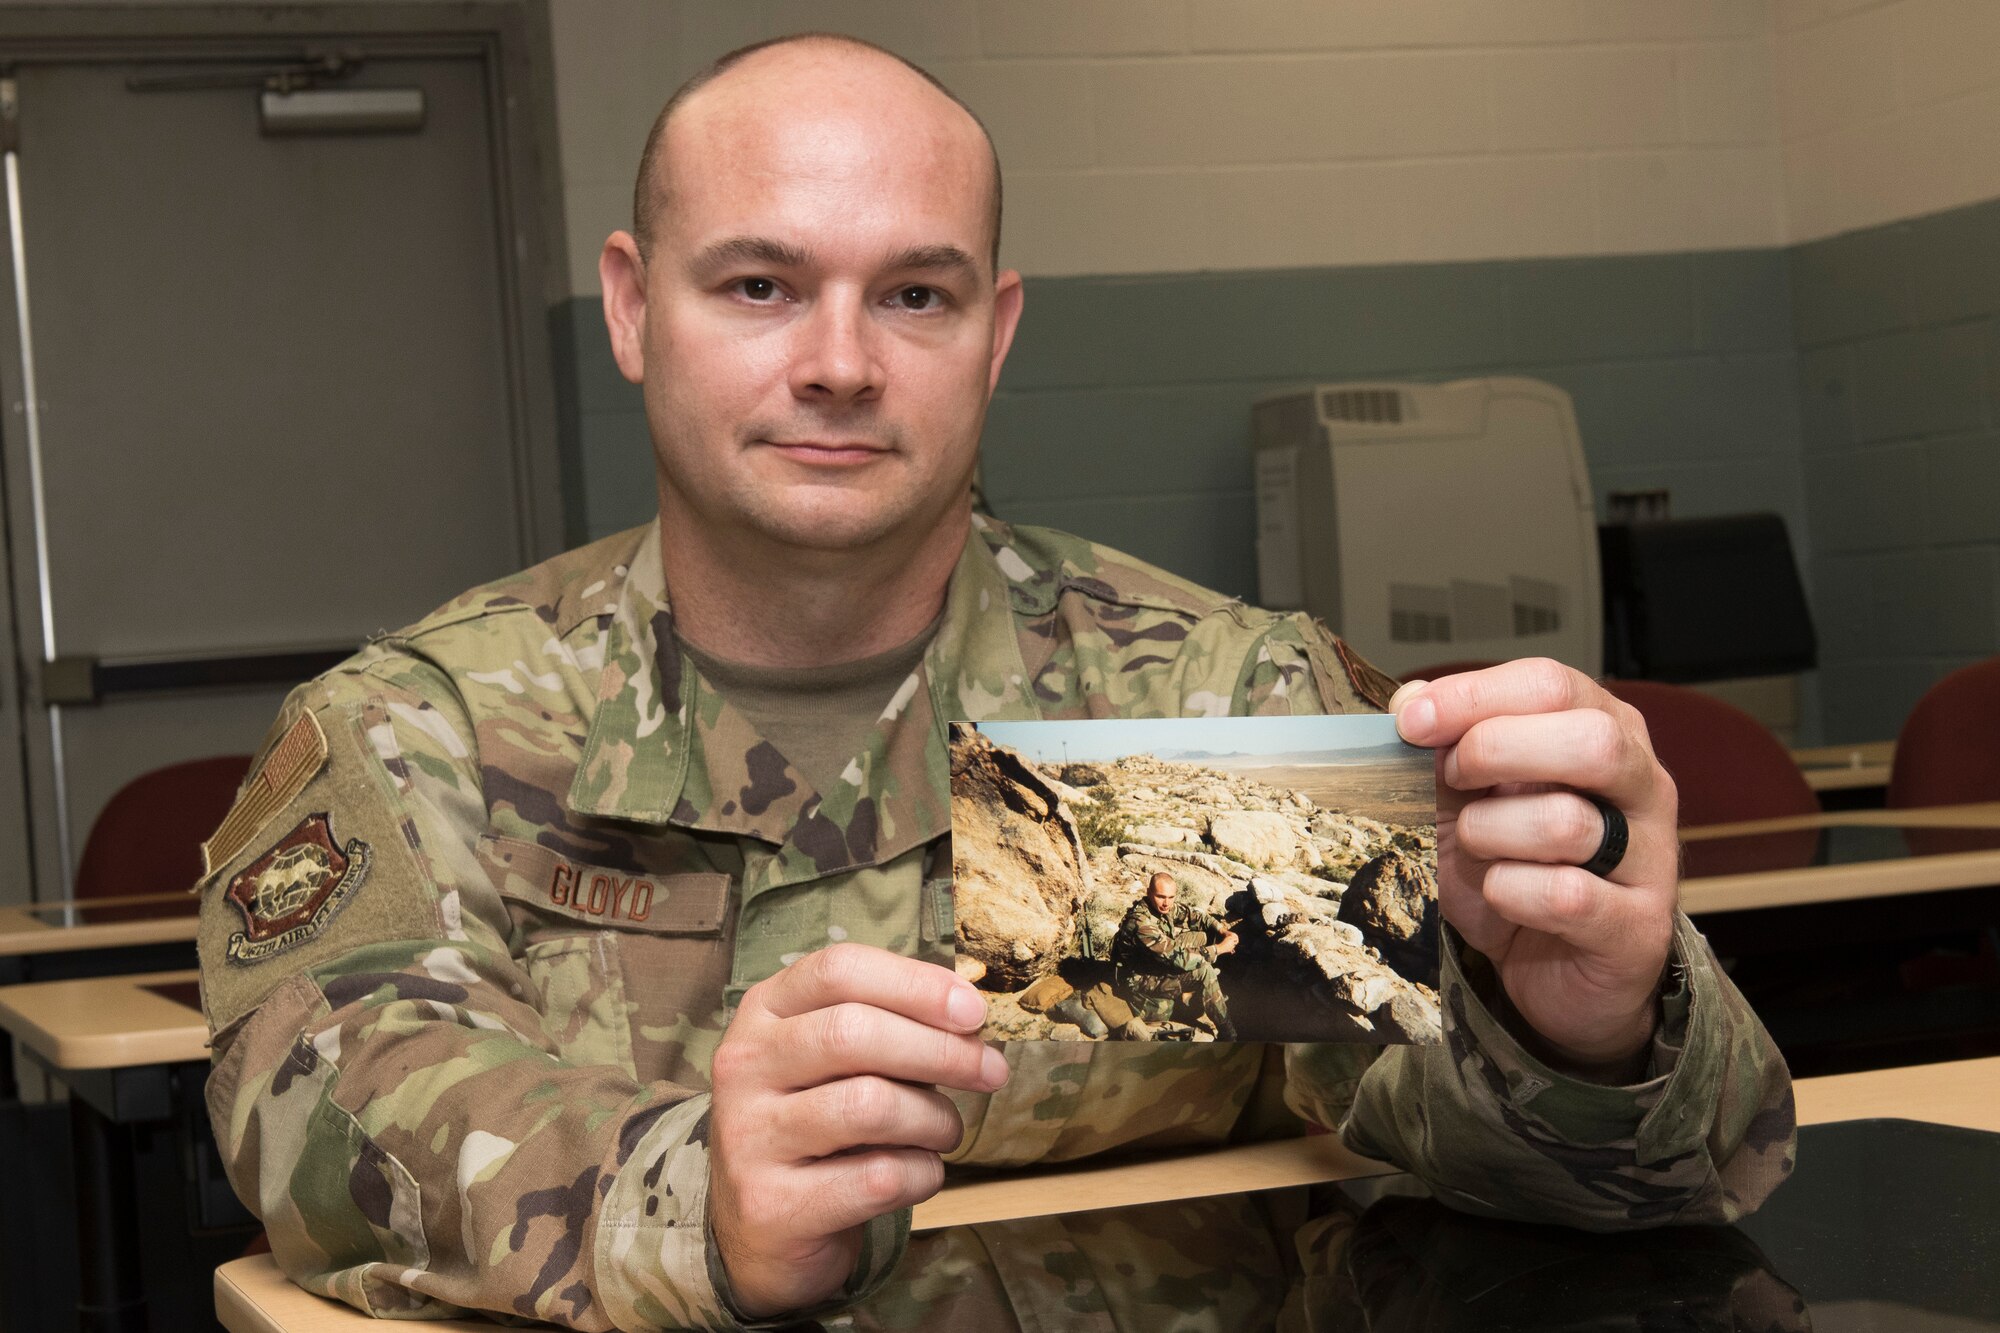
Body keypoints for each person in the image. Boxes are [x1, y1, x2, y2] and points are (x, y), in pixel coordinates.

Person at [193, 31, 1796, 1332]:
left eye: (916, 293)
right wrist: (688, 1193)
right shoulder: (434, 732)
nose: (838, 358)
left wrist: (1571, 1035)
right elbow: (333, 1112)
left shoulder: (1181, 716)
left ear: (996, 330)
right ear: (631, 308)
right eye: (758, 285)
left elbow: (1529, 1162)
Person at [1110, 871, 1240, 1039]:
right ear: (1149, 893)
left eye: (1171, 897)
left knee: (1205, 936)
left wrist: (1222, 930)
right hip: (1141, 979)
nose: (1166, 903)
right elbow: (1180, 959)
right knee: (1204, 970)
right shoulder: (1141, 924)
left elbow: (1195, 916)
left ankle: (1209, 994)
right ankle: (1228, 1033)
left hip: (1158, 962)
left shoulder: (1162, 908)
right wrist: (1219, 949)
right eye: (1161, 896)